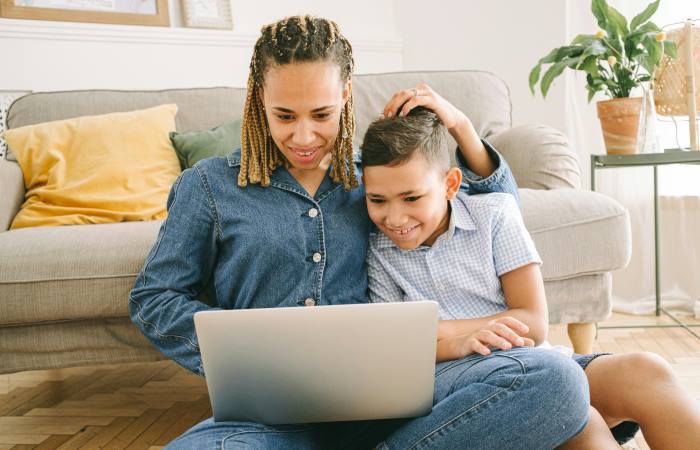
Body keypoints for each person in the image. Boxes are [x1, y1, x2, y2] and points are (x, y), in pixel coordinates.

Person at [129, 15, 591, 449]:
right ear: (258, 100)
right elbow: (155, 298)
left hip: (400, 399)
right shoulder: (209, 186)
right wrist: (238, 356)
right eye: (285, 116)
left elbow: (496, 207)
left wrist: (458, 123)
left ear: (346, 95)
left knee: (555, 380)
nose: (305, 136)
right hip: (267, 417)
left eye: (322, 114)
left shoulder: (374, 182)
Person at [362, 104, 700, 449]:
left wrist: (440, 330)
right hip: (455, 381)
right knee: (582, 420)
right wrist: (458, 340)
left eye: (411, 198)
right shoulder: (377, 249)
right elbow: (400, 347)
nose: (394, 217)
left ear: (450, 184)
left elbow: (534, 322)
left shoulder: (494, 215)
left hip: (535, 362)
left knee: (646, 371)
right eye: (377, 200)